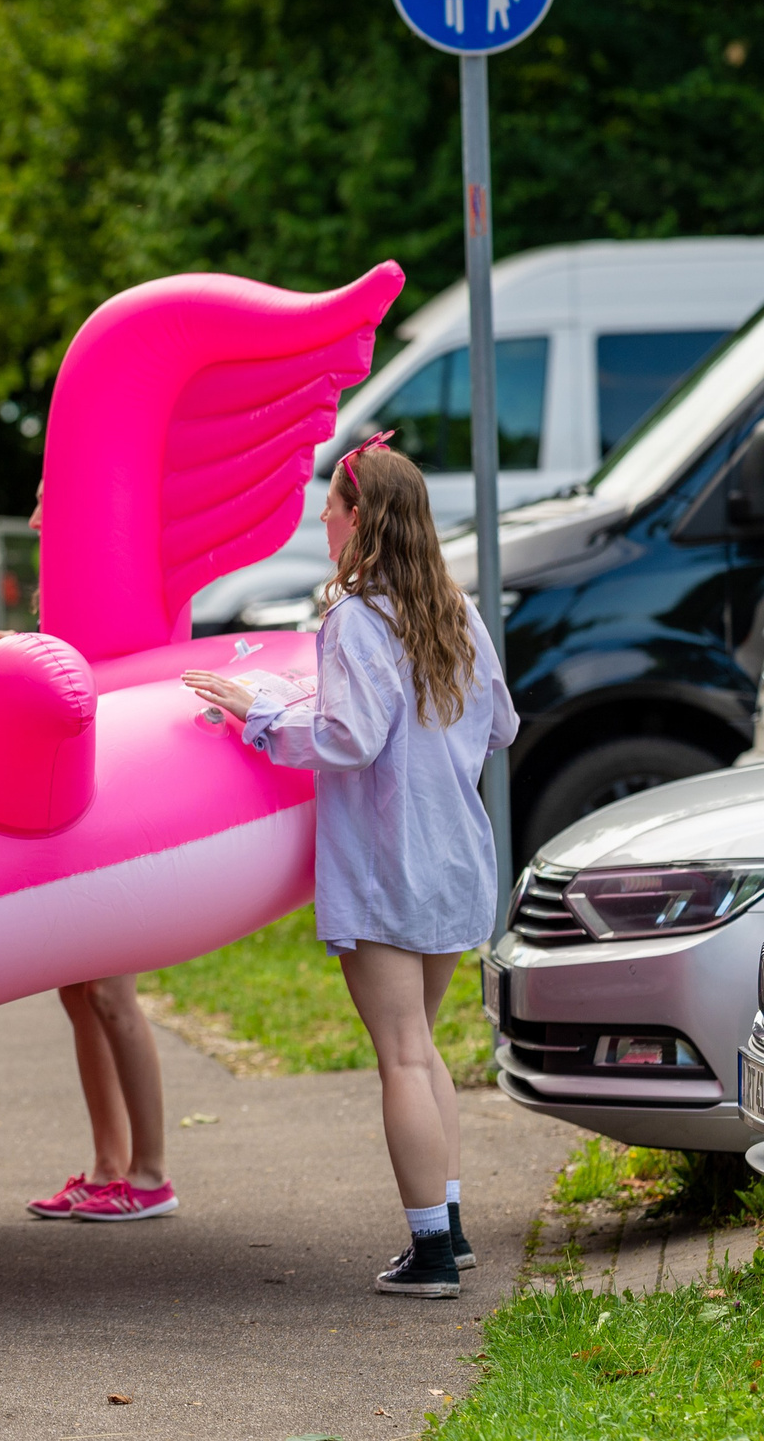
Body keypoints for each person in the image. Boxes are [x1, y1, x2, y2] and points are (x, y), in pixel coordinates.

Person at [186, 433, 516, 1298]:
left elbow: (350, 737)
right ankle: (450, 1228)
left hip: (387, 864)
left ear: (360, 517)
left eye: (330, 505)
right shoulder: (457, 611)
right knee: (425, 1047)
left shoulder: (352, 620)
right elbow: (501, 725)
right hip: (457, 859)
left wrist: (258, 712)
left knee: (402, 1054)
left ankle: (431, 1254)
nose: (321, 518)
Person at [0, 484, 177, 1223]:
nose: (33, 517)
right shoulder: (67, 588)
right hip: (78, 809)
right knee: (77, 990)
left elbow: (108, 681)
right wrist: (18, 651)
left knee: (111, 993)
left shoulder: (111, 580)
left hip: (114, 813)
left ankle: (152, 1174)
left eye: (45, 501)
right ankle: (107, 1167)